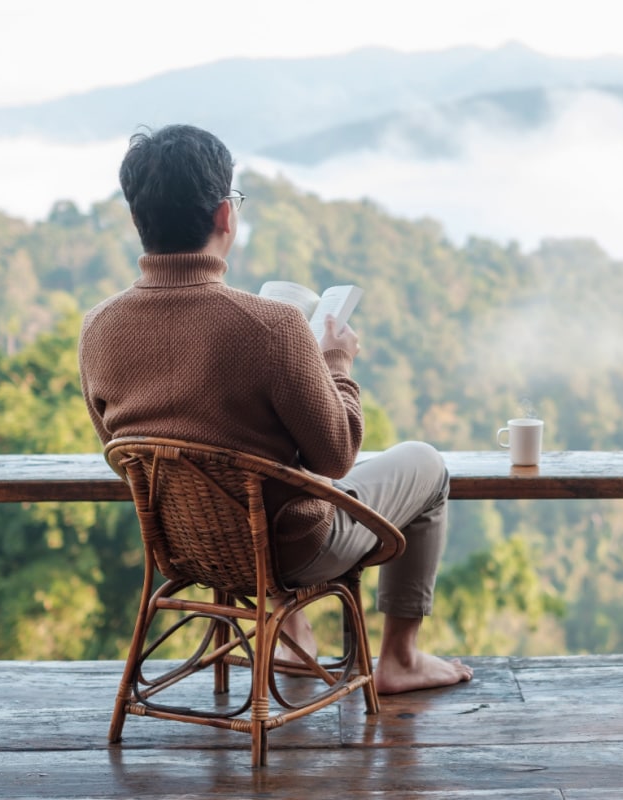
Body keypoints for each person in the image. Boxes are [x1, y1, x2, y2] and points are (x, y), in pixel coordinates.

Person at [78, 123, 472, 694]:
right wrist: (336, 366)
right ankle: (400, 659)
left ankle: (292, 627)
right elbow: (337, 457)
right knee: (426, 464)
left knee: (259, 468)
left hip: (183, 547)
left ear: (139, 218)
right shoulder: (273, 325)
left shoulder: (97, 327)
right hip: (292, 550)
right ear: (224, 216)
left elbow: (124, 453)